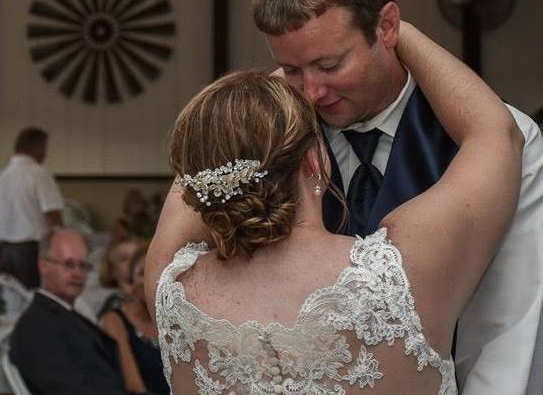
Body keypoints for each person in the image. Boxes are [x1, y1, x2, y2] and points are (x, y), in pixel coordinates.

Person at [144, 23, 522, 394]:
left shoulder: (171, 292)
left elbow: (203, 166)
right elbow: (495, 132)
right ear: (313, 161)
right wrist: (391, 30)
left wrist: (248, 110)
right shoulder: (401, 273)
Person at [251, 0, 543, 392]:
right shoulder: (275, 147)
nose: (311, 91)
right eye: (291, 70)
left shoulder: (495, 143)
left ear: (387, 27)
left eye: (329, 65)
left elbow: (507, 322)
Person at [10, 228, 126, 395]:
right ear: (43, 266)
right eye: (69, 264)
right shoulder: (38, 326)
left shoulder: (62, 313)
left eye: (83, 266)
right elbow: (67, 389)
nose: (77, 273)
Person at [0, 127, 65, 288]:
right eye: (44, 149)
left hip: (6, 251)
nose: (46, 154)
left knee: (12, 300)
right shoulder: (39, 174)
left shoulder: (0, 179)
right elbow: (53, 212)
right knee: (34, 299)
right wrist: (63, 241)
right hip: (32, 250)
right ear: (37, 149)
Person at [100, 241, 167, 395]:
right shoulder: (114, 320)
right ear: (132, 280)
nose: (148, 281)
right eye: (142, 273)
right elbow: (134, 387)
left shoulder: (170, 317)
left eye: (155, 273)